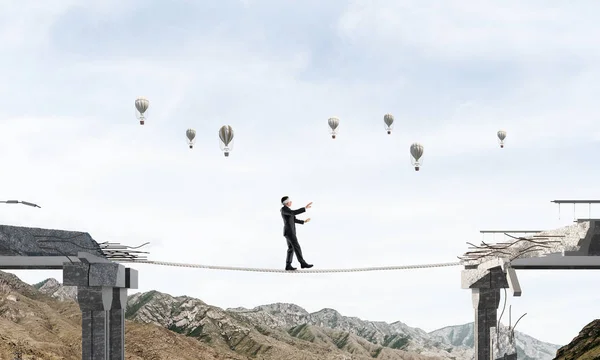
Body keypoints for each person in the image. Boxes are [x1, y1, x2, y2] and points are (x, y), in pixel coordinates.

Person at [280, 196, 314, 271]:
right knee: (296, 247)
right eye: (290, 201)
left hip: (289, 232)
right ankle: (302, 263)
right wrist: (305, 208)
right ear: (286, 203)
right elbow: (293, 213)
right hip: (289, 232)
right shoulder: (284, 209)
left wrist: (303, 221)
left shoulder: (288, 210)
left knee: (291, 248)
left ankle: (288, 265)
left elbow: (294, 219)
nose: (291, 202)